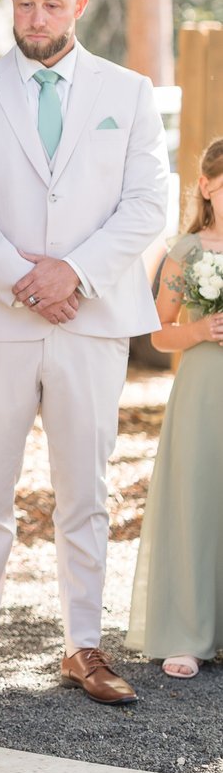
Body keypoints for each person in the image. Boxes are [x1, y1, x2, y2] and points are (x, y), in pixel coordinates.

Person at [0, 0, 170, 708]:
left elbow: (145, 203)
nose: (35, 20)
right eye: (23, 5)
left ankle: (82, 646)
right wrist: (25, 282)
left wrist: (72, 273)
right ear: (10, 4)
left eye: (50, 6)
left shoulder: (127, 95)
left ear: (79, 6)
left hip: (91, 318)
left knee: (85, 490)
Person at [128, 137, 223, 678]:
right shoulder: (185, 250)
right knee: (198, 501)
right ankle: (189, 631)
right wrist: (199, 328)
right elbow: (157, 335)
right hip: (203, 392)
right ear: (207, 186)